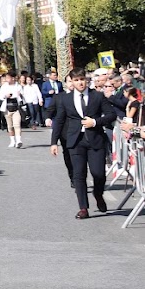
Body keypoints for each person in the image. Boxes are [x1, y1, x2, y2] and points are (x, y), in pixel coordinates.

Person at [50, 68, 116, 218]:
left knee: (98, 173)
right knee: (79, 175)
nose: (80, 83)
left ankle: (98, 194)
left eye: (82, 79)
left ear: (86, 80)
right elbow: (59, 120)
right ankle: (83, 208)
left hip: (95, 139)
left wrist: (95, 122)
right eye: (76, 80)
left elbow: (111, 114)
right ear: (72, 82)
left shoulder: (97, 96)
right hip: (75, 141)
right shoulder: (65, 99)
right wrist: (54, 142)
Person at [0, 72, 24, 149]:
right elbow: (0, 96)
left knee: (17, 124)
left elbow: (23, 96)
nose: (7, 79)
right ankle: (12, 141)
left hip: (16, 108)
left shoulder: (18, 86)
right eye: (6, 78)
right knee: (10, 126)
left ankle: (18, 140)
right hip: (7, 108)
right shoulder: (4, 86)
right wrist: (5, 96)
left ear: (13, 78)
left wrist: (20, 95)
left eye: (8, 78)